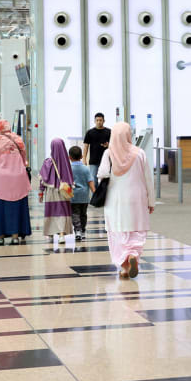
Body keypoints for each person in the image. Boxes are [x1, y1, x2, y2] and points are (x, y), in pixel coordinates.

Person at [97, 122, 155, 278]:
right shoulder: (140, 153)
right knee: (136, 231)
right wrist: (151, 201)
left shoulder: (108, 153)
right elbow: (148, 179)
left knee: (118, 232)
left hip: (115, 199)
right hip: (137, 198)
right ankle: (133, 255)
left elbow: (102, 176)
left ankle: (124, 265)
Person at [0, 119, 32, 245]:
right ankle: (15, 236)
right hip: (18, 177)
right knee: (16, 206)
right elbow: (24, 160)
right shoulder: (18, 140)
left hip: (0, 179)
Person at [39, 138, 74, 244]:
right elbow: (70, 178)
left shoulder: (48, 162)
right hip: (63, 191)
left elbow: (42, 179)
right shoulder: (66, 163)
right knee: (62, 212)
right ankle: (62, 235)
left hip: (51, 192)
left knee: (51, 212)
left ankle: (50, 235)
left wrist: (41, 193)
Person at [69, 146, 95, 241]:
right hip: (84, 196)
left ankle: (78, 230)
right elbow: (90, 181)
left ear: (69, 157)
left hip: (73, 196)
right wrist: (94, 192)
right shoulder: (85, 169)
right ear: (81, 156)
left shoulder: (69, 169)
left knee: (75, 214)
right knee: (83, 214)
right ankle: (83, 231)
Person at [83, 112, 111, 185]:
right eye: (97, 120)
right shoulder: (90, 132)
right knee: (93, 180)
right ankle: (95, 196)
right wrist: (84, 159)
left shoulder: (109, 132)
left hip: (106, 160)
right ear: (94, 121)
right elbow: (86, 146)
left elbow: (114, 145)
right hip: (93, 161)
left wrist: (108, 145)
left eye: (100, 120)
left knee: (105, 180)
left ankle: (104, 196)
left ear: (104, 121)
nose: (99, 122)